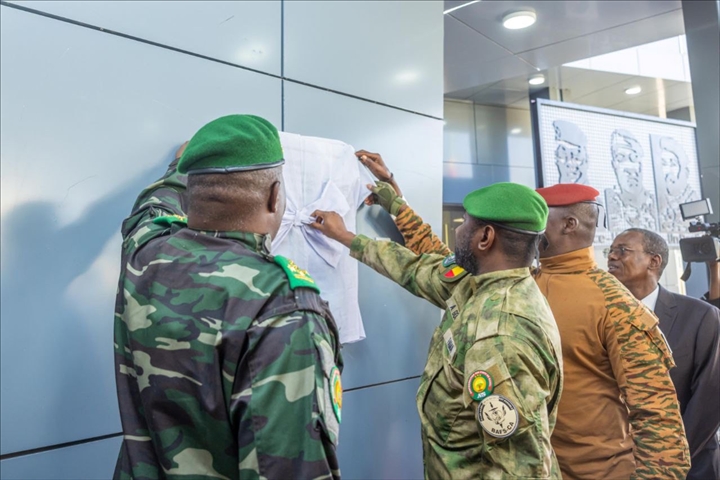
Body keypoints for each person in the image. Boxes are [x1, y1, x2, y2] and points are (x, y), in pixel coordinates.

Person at [356, 151, 690, 479]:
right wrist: (397, 204)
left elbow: (660, 424)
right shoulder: (513, 279)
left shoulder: (615, 306)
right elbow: (445, 263)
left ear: (569, 224)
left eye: (541, 212)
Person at [113, 115, 343, 480]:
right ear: (275, 196)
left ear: (193, 194)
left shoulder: (145, 254)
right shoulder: (283, 308)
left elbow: (150, 210)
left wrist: (180, 167)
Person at [310, 182, 564, 479]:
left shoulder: (500, 338)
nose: (458, 229)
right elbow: (417, 268)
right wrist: (346, 236)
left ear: (485, 237)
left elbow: (520, 470)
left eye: (464, 222)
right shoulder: (481, 282)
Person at [607, 228, 720, 480]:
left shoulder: (700, 316)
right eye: (611, 251)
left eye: (622, 250)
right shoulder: (600, 316)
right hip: (618, 465)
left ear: (654, 261)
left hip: (690, 465)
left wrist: (667, 461)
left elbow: (709, 399)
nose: (612, 256)